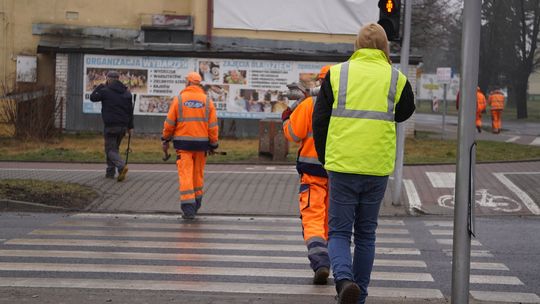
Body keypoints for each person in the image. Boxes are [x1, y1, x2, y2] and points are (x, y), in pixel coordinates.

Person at [312, 23, 415, 304]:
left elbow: (319, 120)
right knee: (367, 234)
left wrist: (325, 157)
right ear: (385, 47)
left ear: (356, 46)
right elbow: (405, 112)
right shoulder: (397, 78)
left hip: (342, 165)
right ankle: (360, 296)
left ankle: (344, 281)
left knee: (339, 232)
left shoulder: (337, 74)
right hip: (377, 166)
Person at [281, 65, 333, 285]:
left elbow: (292, 134)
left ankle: (320, 261)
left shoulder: (310, 104)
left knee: (312, 217)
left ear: (319, 82)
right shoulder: (346, 106)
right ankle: (336, 262)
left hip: (312, 173)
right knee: (333, 220)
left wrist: (286, 115)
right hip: (339, 173)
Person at [161, 72, 219, 220]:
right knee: (197, 175)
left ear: (187, 83)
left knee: (186, 174)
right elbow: (213, 126)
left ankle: (188, 208)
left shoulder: (179, 99)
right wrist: (213, 144)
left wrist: (165, 138)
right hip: (201, 145)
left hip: (183, 145)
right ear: (199, 84)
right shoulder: (207, 100)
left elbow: (169, 123)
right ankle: (197, 203)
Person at [90, 70, 134, 182]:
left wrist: (100, 85)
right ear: (118, 79)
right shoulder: (126, 92)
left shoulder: (105, 91)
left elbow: (93, 97)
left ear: (108, 79)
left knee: (110, 150)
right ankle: (110, 172)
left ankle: (121, 166)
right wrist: (130, 127)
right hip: (123, 126)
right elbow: (130, 111)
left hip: (111, 126)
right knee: (114, 149)